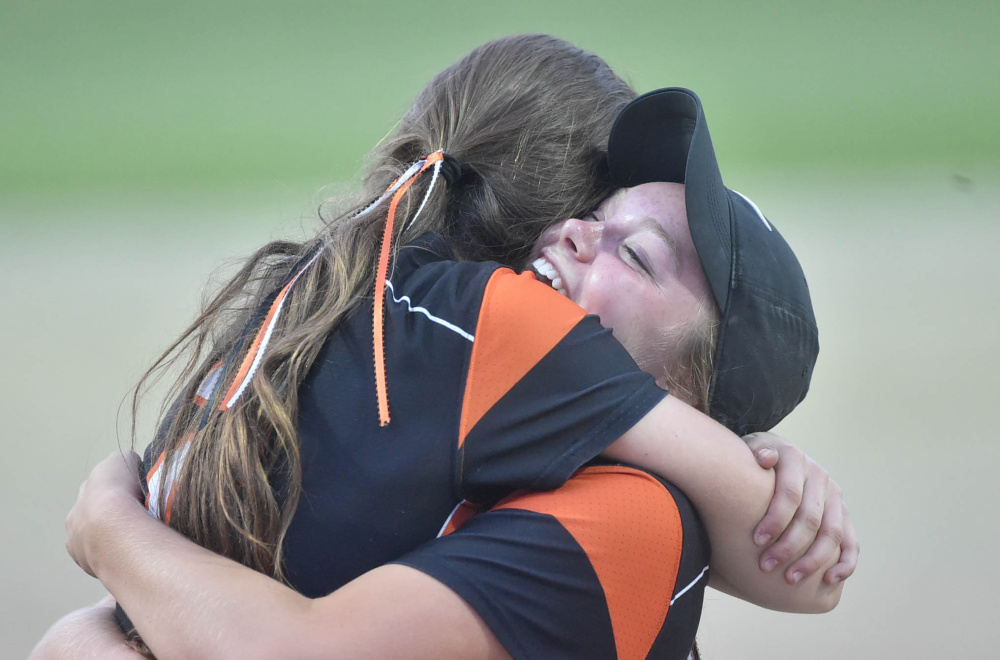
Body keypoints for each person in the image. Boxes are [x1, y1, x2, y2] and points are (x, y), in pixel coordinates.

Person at [36, 37, 855, 659]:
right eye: (593, 218)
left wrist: (113, 535)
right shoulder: (475, 363)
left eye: (635, 255)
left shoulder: (324, 305)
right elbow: (806, 576)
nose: (573, 237)